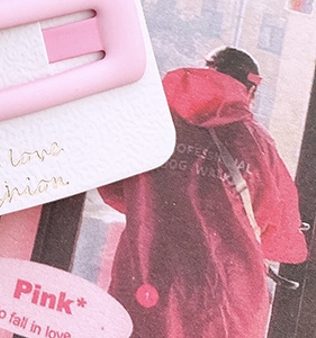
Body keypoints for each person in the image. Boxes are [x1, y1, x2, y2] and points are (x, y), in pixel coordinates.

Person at [99, 47, 309, 338]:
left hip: (147, 279)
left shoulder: (156, 126)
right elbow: (283, 239)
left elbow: (113, 189)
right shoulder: (257, 145)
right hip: (224, 296)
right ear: (249, 91)